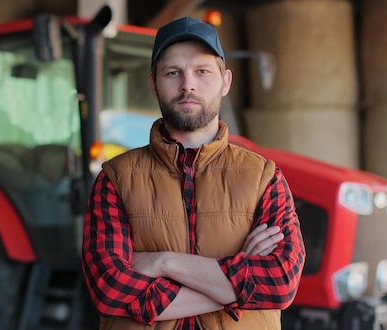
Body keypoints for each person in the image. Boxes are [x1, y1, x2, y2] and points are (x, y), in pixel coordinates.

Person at [82, 16, 305, 330]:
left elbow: (280, 282)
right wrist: (239, 280)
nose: (188, 84)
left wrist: (164, 262)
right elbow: (112, 292)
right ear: (153, 84)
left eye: (202, 71)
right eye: (173, 73)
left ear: (226, 81)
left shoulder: (264, 178)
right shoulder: (115, 179)